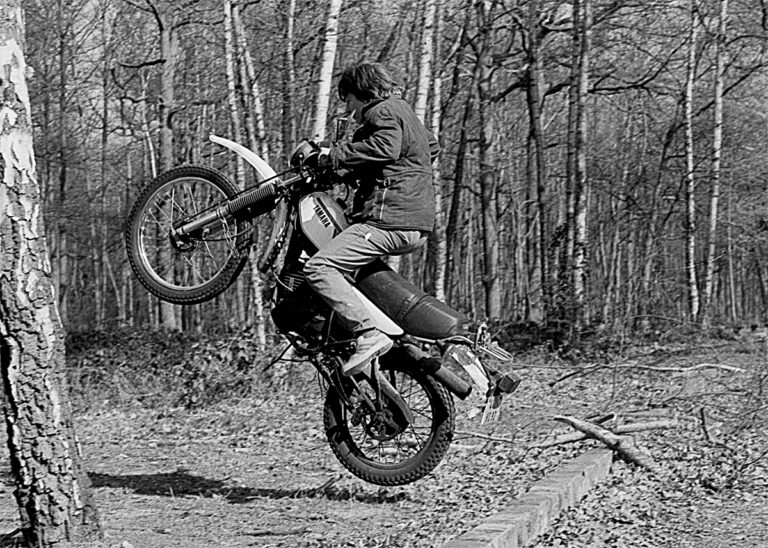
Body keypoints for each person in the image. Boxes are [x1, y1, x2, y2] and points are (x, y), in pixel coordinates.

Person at [304, 62, 439, 376]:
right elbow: (429, 146)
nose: (349, 108)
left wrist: (331, 156)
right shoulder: (403, 112)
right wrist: (362, 172)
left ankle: (368, 333)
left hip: (390, 218)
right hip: (413, 221)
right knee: (354, 275)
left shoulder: (381, 111)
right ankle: (381, 326)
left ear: (363, 92)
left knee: (320, 267)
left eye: (348, 99)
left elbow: (385, 148)